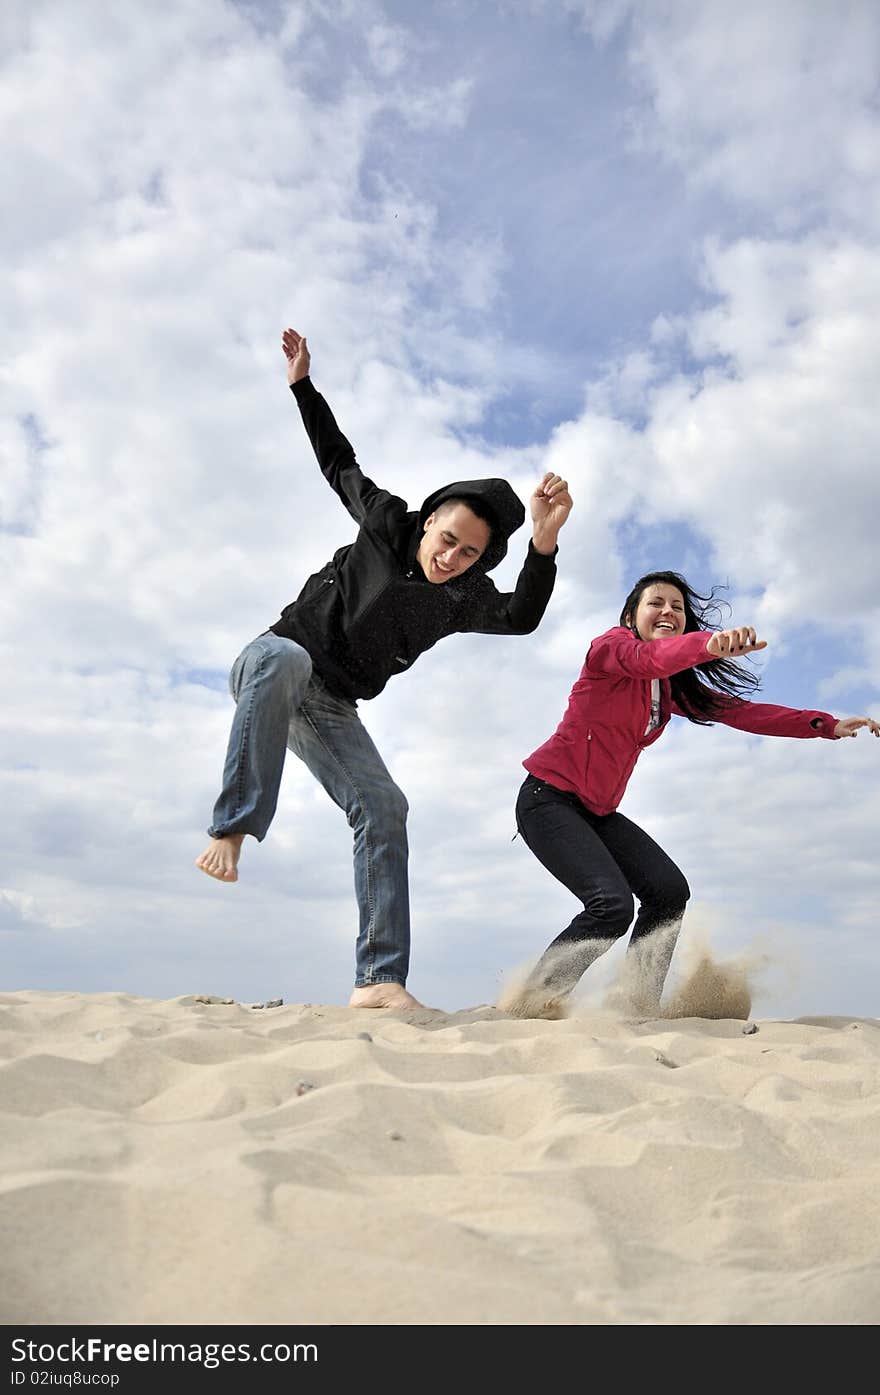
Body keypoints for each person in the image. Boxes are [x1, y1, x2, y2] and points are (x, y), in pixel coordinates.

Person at [196, 327, 573, 1010]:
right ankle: (232, 825)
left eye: (468, 554)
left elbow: (521, 616)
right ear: (428, 521)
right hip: (274, 664)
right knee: (283, 657)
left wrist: (543, 544)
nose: (451, 557)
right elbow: (337, 461)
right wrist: (302, 386)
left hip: (333, 706)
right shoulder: (384, 519)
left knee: (384, 805)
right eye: (447, 539)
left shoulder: (463, 597)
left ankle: (378, 980)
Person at [509, 569, 879, 1018]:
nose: (668, 611)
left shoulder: (665, 690)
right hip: (547, 798)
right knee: (611, 906)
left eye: (677, 608)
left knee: (667, 891)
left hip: (595, 810)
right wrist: (706, 644)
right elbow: (649, 659)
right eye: (656, 603)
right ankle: (534, 1000)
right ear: (631, 616)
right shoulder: (609, 651)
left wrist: (824, 725)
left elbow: (742, 713)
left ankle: (637, 1004)